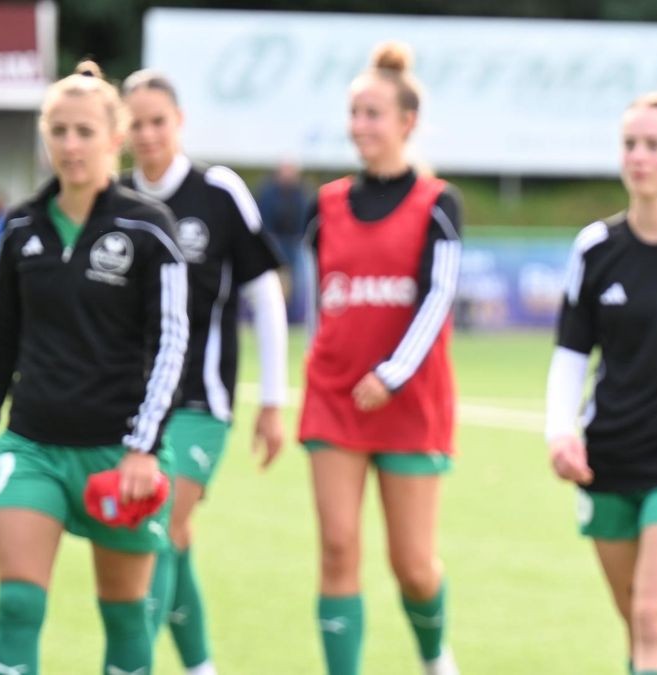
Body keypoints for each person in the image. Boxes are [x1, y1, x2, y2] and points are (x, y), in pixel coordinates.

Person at [0, 60, 189, 675]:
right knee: (17, 605)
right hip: (32, 446)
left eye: (85, 131)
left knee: (125, 618)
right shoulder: (20, 229)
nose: (70, 144)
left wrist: (143, 448)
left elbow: (172, 344)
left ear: (115, 136)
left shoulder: (150, 228)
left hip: (120, 455)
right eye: (58, 130)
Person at [298, 41, 462, 675]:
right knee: (338, 548)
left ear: (406, 122)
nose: (360, 125)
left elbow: (438, 296)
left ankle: (433, 656)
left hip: (408, 401)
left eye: (373, 113)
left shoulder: (437, 203)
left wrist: (392, 373)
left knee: (413, 565)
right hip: (335, 396)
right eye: (355, 112)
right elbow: (319, 301)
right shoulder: (328, 202)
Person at [122, 68, 288, 675]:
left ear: (180, 122)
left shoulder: (216, 192)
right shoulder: (115, 200)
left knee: (156, 523)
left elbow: (266, 296)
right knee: (174, 536)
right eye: (134, 123)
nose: (146, 134)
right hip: (131, 412)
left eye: (157, 121)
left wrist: (273, 401)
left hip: (200, 402)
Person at [544, 93, 657, 675]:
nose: (640, 157)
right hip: (605, 460)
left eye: (655, 145)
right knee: (637, 623)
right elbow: (570, 351)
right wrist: (560, 433)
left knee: (655, 621)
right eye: (630, 144)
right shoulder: (596, 247)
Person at [256, 160, 311, 321]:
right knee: (275, 281)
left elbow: (304, 217)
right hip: (275, 241)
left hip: (295, 242)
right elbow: (264, 218)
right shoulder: (268, 192)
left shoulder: (301, 192)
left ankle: (293, 317)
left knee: (297, 281)